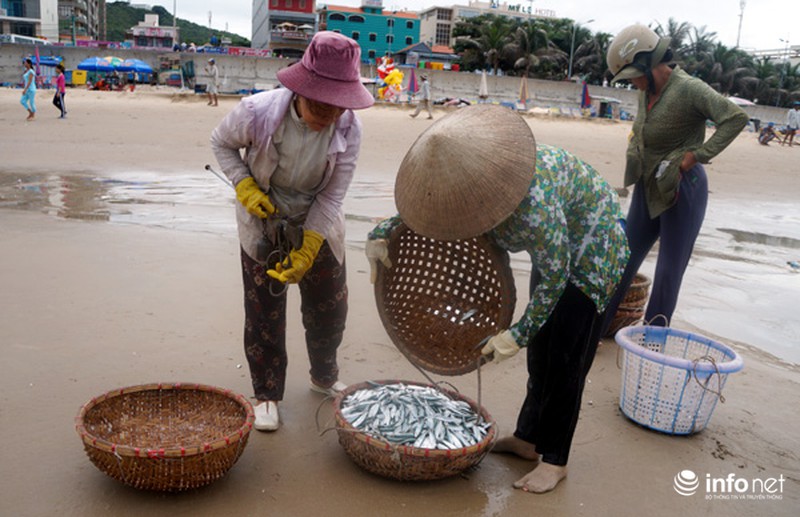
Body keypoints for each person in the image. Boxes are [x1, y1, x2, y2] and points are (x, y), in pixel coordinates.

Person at [366, 105, 629, 493]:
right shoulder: (465, 189)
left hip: (593, 249)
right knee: (540, 352)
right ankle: (528, 438)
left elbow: (556, 276)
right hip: (557, 247)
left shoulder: (535, 206)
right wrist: (381, 233)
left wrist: (515, 335)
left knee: (565, 358)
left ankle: (555, 460)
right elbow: (425, 216)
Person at [210, 32, 374, 432]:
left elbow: (333, 195)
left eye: (337, 106)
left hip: (318, 217)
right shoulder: (257, 111)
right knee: (264, 311)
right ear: (300, 89)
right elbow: (221, 144)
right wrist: (245, 186)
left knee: (330, 307)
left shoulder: (350, 128)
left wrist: (310, 244)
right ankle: (267, 394)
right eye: (320, 105)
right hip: (264, 217)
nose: (328, 116)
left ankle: (324, 375)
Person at [601, 24, 747, 333]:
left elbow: (735, 118)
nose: (633, 83)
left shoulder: (689, 89)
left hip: (683, 189)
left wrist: (695, 156)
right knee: (623, 259)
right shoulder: (646, 90)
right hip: (648, 184)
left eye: (634, 76)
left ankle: (653, 340)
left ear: (648, 64)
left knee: (669, 270)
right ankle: (596, 329)